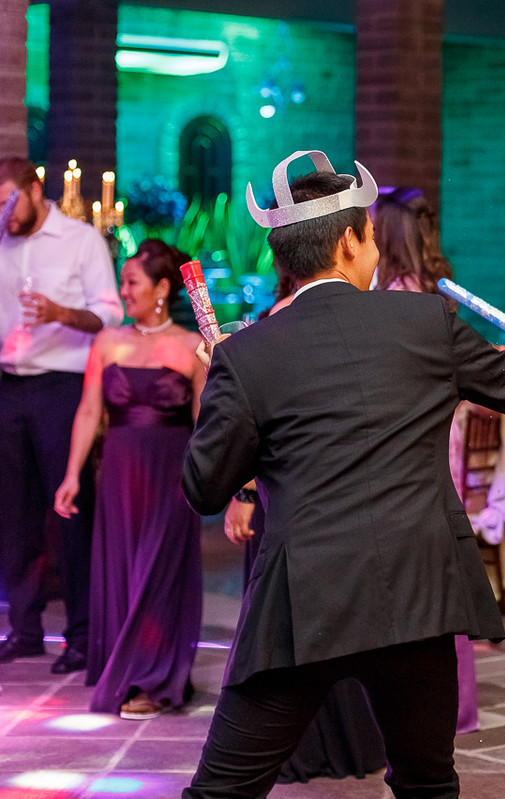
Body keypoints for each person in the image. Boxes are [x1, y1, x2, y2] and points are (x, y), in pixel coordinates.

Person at [180, 150, 505, 798]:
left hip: (305, 598)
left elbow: (204, 486)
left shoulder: (248, 352)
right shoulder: (424, 322)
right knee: (427, 784)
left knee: (221, 792)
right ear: (350, 241)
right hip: (417, 590)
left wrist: (220, 383)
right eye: (371, 238)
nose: (375, 251)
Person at [222, 267, 387, 783]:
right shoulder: (346, 325)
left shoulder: (276, 330)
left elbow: (262, 429)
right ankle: (332, 740)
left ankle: (302, 741)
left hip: (296, 505)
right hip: (330, 500)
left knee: (297, 623)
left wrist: (245, 490)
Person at [53, 239, 204, 718]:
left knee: (159, 573)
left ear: (162, 289)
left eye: (132, 282)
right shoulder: (107, 342)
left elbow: (205, 424)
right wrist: (72, 474)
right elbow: (89, 411)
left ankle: (155, 677)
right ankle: (126, 667)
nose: (123, 291)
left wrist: (216, 484)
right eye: (122, 282)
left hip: (171, 476)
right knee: (123, 570)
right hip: (118, 476)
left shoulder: (191, 347)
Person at [0, 156, 122, 673]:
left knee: (70, 511)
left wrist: (61, 313)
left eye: (7, 201)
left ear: (34, 189)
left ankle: (81, 634)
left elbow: (110, 314)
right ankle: (25, 629)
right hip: (8, 385)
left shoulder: (80, 240)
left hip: (62, 387)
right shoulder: (1, 241)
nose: (4, 213)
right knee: (13, 512)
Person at [373, 185, 481, 735]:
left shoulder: (394, 298)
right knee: (438, 561)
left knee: (417, 565)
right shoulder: (431, 290)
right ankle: (450, 700)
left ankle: (428, 702)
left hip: (413, 440)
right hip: (444, 432)